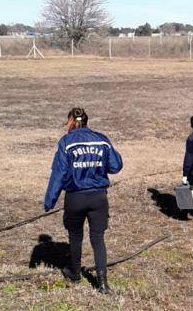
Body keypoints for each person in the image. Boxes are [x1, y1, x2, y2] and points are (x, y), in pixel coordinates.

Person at [44, 107, 123, 294]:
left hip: (75, 198)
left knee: (75, 237)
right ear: (87, 121)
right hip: (98, 198)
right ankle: (103, 283)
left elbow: (59, 174)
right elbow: (116, 165)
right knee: (98, 239)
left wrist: (50, 201)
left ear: (71, 121)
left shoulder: (66, 142)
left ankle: (75, 273)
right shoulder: (102, 139)